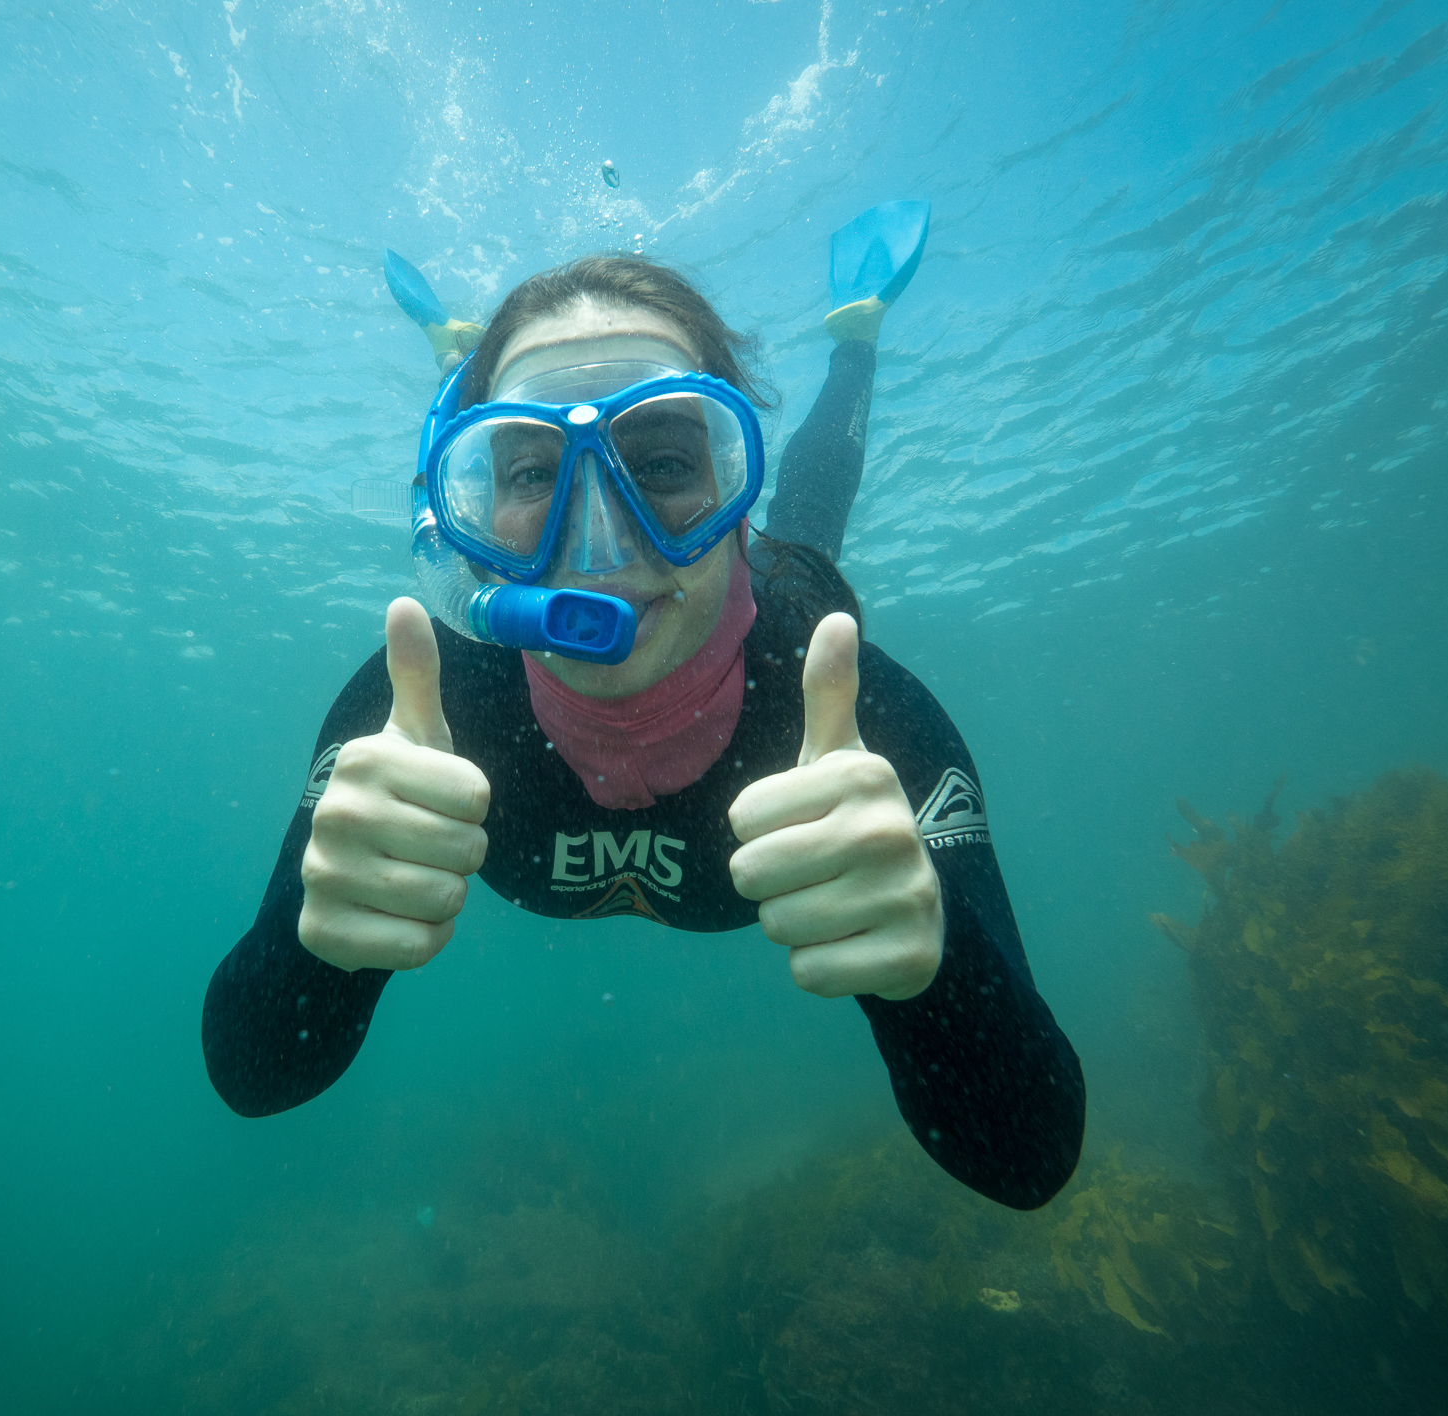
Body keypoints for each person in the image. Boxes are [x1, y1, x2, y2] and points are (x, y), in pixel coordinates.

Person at [204, 206, 1084, 1210]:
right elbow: (253, 1075)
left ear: (732, 488)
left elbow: (1028, 1156)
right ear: (467, 520)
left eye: (664, 462)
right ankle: (468, 366)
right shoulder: (420, 709)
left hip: (775, 589)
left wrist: (935, 963)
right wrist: (318, 944)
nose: (601, 538)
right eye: (530, 469)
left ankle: (854, 336)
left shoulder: (852, 715)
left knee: (812, 536)